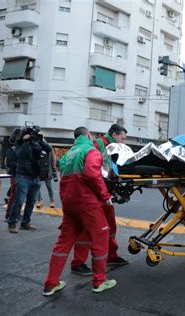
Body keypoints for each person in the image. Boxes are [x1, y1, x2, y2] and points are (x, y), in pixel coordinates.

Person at [42, 127, 116, 296]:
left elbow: (64, 179)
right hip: (88, 204)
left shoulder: (68, 155)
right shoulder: (90, 151)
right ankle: (99, 281)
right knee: (100, 239)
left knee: (63, 242)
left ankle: (50, 283)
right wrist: (105, 195)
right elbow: (92, 174)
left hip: (70, 205)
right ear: (88, 135)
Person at [70, 124, 129, 275]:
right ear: (114, 135)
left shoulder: (114, 147)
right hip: (94, 193)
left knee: (110, 226)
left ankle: (111, 255)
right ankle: (78, 263)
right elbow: (92, 171)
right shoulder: (98, 144)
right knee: (87, 229)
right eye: (122, 138)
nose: (124, 142)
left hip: (104, 191)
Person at [7, 127, 51, 233]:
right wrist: (26, 141)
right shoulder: (19, 144)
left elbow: (48, 150)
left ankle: (25, 223)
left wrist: (40, 140)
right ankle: (12, 224)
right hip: (23, 176)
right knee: (19, 201)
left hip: (36, 177)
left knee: (31, 202)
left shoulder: (36, 143)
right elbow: (21, 154)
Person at [36, 142, 58, 208]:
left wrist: (54, 170)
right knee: (37, 187)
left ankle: (52, 201)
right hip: (39, 171)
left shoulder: (49, 148)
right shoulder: (37, 148)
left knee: (49, 187)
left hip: (47, 172)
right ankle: (39, 200)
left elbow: (52, 160)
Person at [4, 129, 19, 221]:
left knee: (19, 196)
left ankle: (15, 213)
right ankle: (9, 214)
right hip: (15, 174)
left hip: (22, 174)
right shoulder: (12, 149)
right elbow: (9, 163)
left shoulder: (23, 147)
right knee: (14, 195)